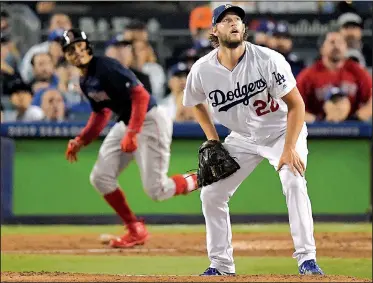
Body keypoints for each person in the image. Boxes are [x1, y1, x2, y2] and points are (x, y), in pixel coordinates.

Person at [183, 4, 324, 276]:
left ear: (244, 28)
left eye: (238, 19)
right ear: (214, 30)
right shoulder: (202, 70)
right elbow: (194, 102)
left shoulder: (268, 60)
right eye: (226, 20)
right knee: (212, 193)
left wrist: (289, 149)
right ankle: (221, 266)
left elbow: (297, 105)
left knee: (293, 179)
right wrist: (213, 140)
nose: (234, 23)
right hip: (243, 138)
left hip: (282, 131)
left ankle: (307, 260)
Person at [60, 28, 198, 248]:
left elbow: (141, 95)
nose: (76, 52)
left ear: (87, 46)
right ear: (65, 55)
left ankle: (200, 178)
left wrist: (132, 133)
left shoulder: (105, 66)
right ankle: (135, 229)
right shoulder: (85, 80)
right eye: (70, 49)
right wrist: (81, 140)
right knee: (101, 177)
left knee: (157, 190)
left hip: (150, 119)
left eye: (79, 45)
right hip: (127, 121)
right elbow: (101, 114)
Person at [297, 30, 372, 123]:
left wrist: (355, 120)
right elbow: (294, 106)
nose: (336, 46)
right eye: (332, 42)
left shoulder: (357, 71)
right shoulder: (308, 75)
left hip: (353, 129)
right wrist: (317, 121)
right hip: (317, 131)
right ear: (322, 48)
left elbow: (371, 100)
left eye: (340, 42)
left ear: (346, 47)